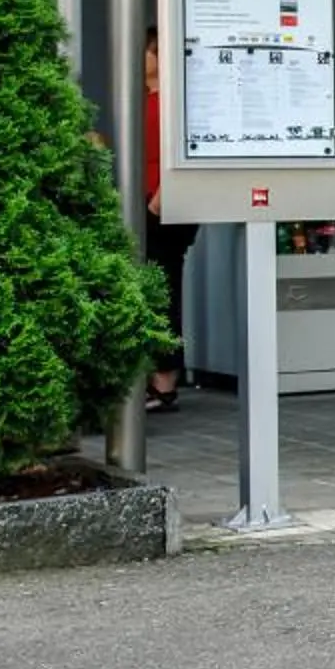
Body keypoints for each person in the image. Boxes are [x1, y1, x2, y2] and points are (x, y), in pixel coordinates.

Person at [141, 28, 195, 414]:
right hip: (145, 202)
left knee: (163, 286)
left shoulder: (173, 101)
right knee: (152, 286)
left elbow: (180, 150)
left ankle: (165, 380)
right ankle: (155, 375)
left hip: (163, 206)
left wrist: (163, 197)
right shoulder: (145, 99)